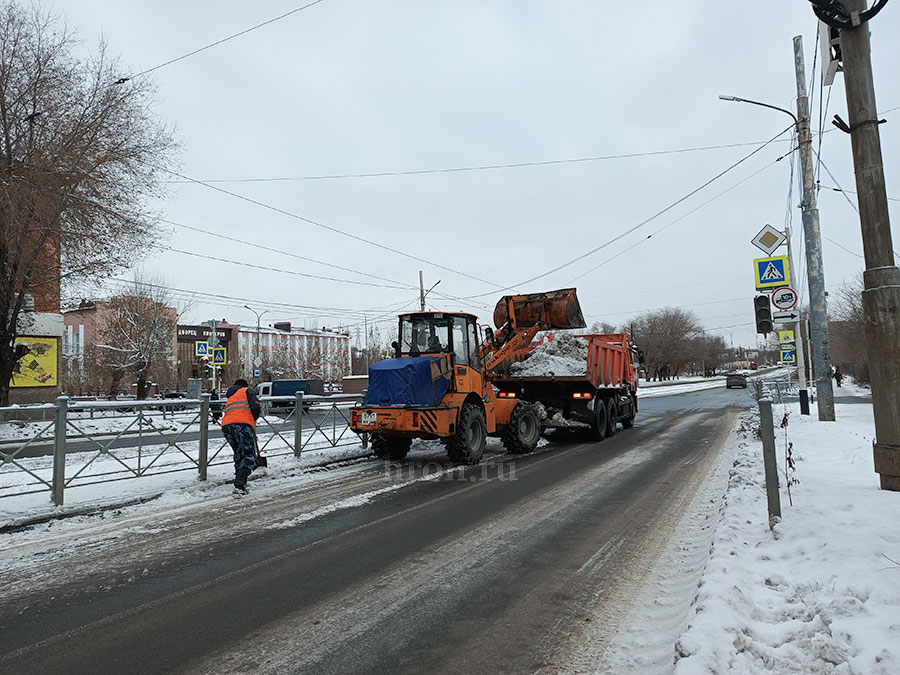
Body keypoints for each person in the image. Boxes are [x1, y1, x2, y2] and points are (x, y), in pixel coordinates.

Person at [221, 378, 261, 493]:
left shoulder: (231, 396)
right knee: (249, 456)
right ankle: (239, 484)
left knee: (239, 454)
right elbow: (256, 406)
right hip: (243, 425)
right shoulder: (246, 390)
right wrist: (252, 419)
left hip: (227, 426)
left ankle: (240, 480)